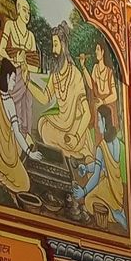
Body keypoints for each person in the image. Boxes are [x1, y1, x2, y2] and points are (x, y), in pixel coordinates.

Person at [30, 22, 93, 160]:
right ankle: (68, 153)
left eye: (55, 45)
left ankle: (73, 150)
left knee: (69, 139)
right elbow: (45, 98)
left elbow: (87, 114)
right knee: (42, 124)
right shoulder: (55, 74)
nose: (53, 50)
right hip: (61, 124)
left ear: (63, 46)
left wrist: (77, 136)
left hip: (75, 128)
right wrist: (27, 82)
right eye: (53, 45)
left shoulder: (75, 74)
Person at [0, 58, 42, 195]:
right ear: (7, 77)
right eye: (13, 80)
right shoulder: (9, 102)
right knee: (24, 184)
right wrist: (30, 153)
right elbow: (16, 132)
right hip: (7, 152)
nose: (15, 83)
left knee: (24, 139)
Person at [73, 105, 126, 229]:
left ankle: (113, 213)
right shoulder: (117, 143)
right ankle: (117, 210)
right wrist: (86, 168)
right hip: (118, 190)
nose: (97, 125)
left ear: (103, 120)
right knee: (91, 165)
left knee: (88, 200)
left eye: (98, 120)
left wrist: (83, 191)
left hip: (108, 188)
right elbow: (103, 165)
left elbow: (96, 176)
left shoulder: (102, 146)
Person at [0, 0, 38, 138]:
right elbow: (2, 50)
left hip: (25, 77)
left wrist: (24, 63)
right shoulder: (10, 25)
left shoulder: (31, 36)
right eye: (25, 10)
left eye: (29, 12)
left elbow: (35, 66)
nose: (27, 15)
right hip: (13, 73)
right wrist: (15, 60)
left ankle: (24, 135)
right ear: (18, 9)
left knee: (27, 104)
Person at [79, 40, 118, 133]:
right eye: (96, 50)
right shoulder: (95, 68)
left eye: (98, 49)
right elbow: (91, 85)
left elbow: (115, 95)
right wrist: (83, 66)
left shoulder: (109, 72)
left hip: (108, 105)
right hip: (98, 105)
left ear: (103, 51)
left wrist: (103, 102)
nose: (96, 52)